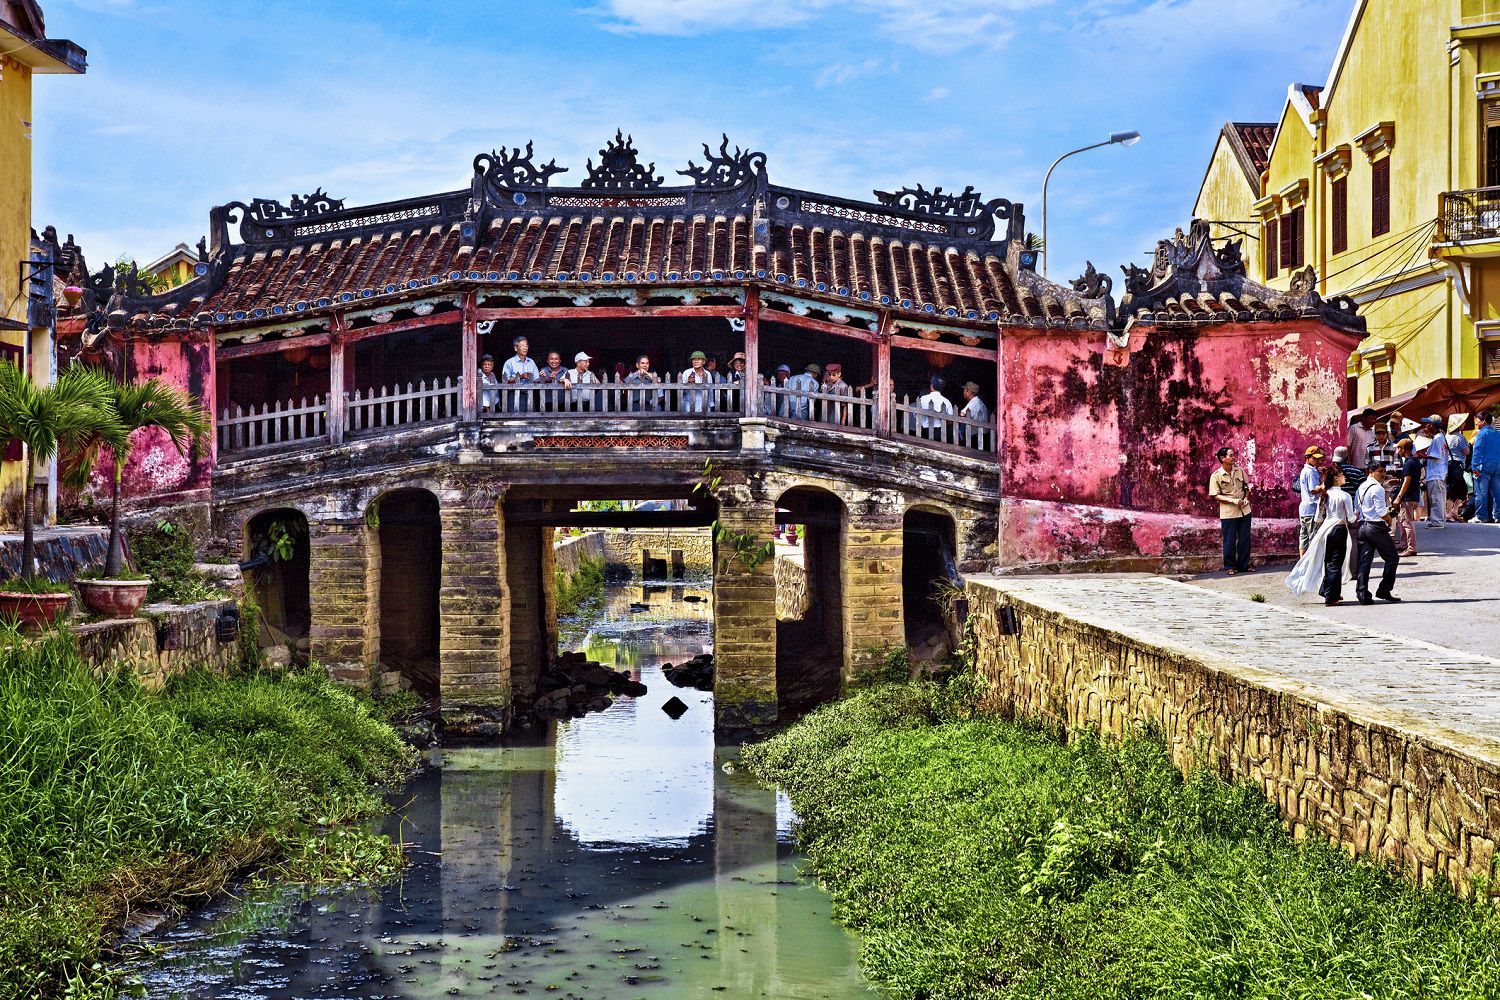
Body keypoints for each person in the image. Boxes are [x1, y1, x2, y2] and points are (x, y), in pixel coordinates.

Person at [1286, 464, 1356, 605]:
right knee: (1335, 564)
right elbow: (1351, 518)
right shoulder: (1344, 495)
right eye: (1342, 475)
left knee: (1327, 562)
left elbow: (1318, 518)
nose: (1344, 477)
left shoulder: (1325, 495)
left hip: (1326, 530)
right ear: (1336, 478)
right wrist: (1357, 515)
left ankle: (1328, 590)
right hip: (1338, 529)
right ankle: (1331, 595)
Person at [1354, 460, 1401, 605]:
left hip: (1362, 525)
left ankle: (1362, 593)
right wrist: (1389, 520)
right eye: (1379, 471)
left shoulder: (1361, 487)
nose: (1382, 474)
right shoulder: (1377, 488)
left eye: (1383, 471)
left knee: (1364, 561)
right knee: (1392, 558)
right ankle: (1384, 590)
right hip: (1375, 526)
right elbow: (1381, 511)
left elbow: (1357, 508)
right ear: (1371, 472)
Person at [1209, 446, 1252, 575]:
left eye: (1233, 455)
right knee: (1229, 540)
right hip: (1228, 513)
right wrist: (1232, 501)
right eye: (1231, 455)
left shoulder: (1239, 470)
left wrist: (1246, 498)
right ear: (1223, 458)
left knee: (1245, 539)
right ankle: (1229, 566)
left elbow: (1246, 487)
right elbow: (1215, 495)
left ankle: (1244, 565)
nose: (1234, 457)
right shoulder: (1216, 476)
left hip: (1244, 510)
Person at [1418, 414, 1450, 528]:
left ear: (1432, 425)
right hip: (1440, 472)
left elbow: (1436, 455)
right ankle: (1440, 519)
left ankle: (1437, 521)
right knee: (1439, 497)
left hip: (1436, 473)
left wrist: (1422, 455)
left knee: (1436, 498)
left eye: (1428, 423)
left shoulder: (1437, 438)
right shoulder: (1441, 436)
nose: (1426, 425)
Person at [1392, 438, 1422, 555]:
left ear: (1403, 449)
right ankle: (1404, 544)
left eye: (1399, 448)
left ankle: (1411, 548)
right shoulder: (1414, 461)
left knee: (1407, 523)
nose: (1398, 450)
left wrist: (1399, 496)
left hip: (1408, 496)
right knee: (1403, 521)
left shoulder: (1409, 462)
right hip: (1413, 495)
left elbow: (1407, 480)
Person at [1297, 445, 1326, 556]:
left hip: (1304, 509)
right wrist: (1325, 486)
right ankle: (1311, 565)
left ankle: (1302, 564)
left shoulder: (1305, 470)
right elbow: (1313, 490)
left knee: (1304, 537)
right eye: (1315, 458)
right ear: (1307, 458)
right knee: (1314, 539)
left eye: (1318, 458)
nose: (1317, 461)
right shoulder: (1311, 472)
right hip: (1312, 508)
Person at [1472, 410, 1499, 522]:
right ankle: (1498, 515)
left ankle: (1481, 517)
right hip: (1498, 464)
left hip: (1484, 465)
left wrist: (1474, 466)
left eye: (1477, 421)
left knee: (1481, 492)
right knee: (1498, 491)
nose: (1477, 424)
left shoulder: (1482, 433)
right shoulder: (1497, 433)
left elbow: (1477, 450)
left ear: (1483, 421)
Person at [502, 336, 539, 412]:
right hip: (514, 395)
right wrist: (521, 376)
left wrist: (543, 378)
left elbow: (536, 379)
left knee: (531, 420)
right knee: (514, 421)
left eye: (526, 345)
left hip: (529, 394)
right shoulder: (509, 362)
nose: (525, 348)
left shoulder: (531, 362)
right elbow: (505, 382)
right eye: (522, 345)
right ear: (516, 348)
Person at [1445, 414, 1471, 521]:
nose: (1464, 424)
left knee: (1452, 488)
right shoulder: (1460, 437)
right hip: (1457, 465)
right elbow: (1466, 452)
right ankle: (1449, 513)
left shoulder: (1446, 436)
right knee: (1460, 489)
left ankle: (1453, 512)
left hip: (1448, 465)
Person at [680, 350, 714, 414]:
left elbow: (710, 390)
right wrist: (688, 383)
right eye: (694, 359)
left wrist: (711, 403)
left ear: (703, 362)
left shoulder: (707, 374)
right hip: (689, 406)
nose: (696, 361)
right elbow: (681, 391)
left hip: (704, 406)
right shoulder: (686, 373)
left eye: (699, 359)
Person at [960, 381, 990, 448]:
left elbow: (962, 414)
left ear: (969, 392)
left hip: (977, 437)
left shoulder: (974, 402)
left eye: (965, 391)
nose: (963, 393)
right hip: (982, 435)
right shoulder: (978, 401)